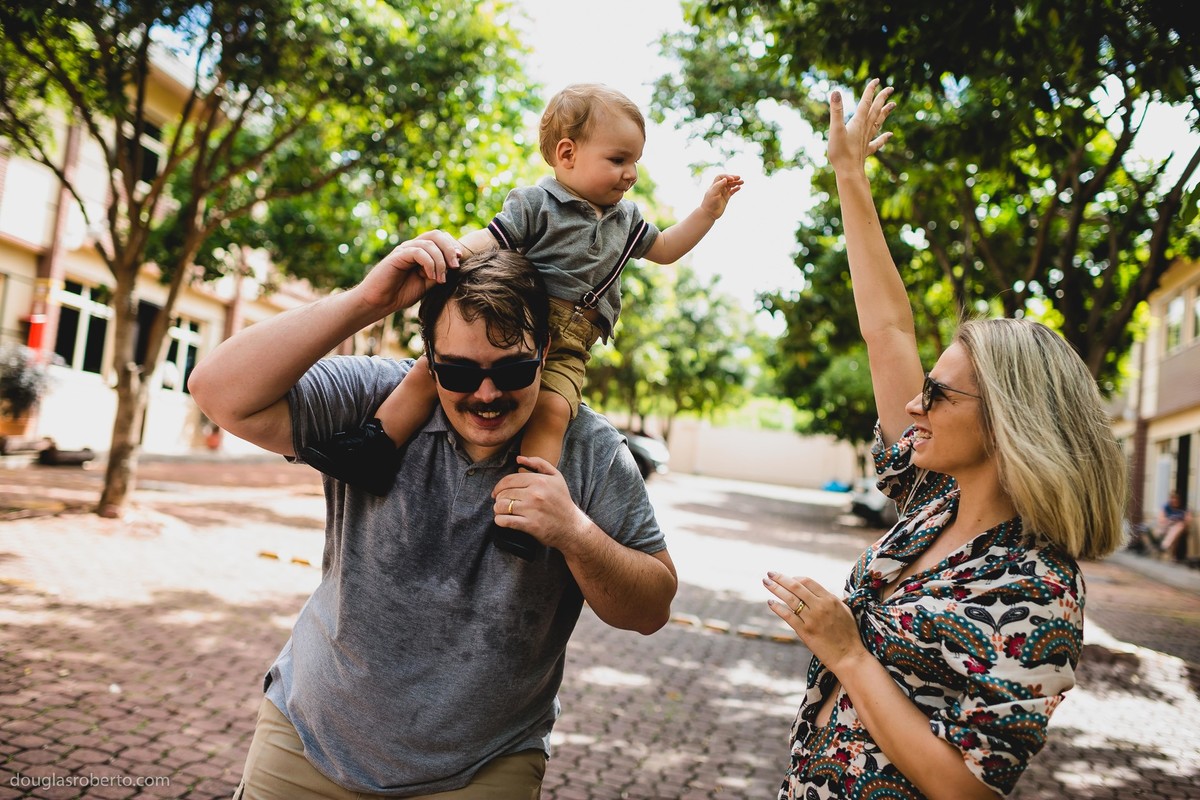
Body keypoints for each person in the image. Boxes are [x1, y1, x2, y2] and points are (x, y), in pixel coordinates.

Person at [187, 238, 677, 799]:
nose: (487, 394)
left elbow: (651, 607)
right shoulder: (377, 395)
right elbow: (216, 390)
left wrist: (575, 532)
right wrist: (366, 302)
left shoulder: (590, 449)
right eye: (459, 373)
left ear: (544, 350)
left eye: (512, 369)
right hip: (308, 738)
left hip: (481, 766)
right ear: (428, 360)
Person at [761, 80, 1127, 800]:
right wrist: (849, 175)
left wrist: (848, 654)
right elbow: (887, 330)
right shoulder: (934, 497)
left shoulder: (1039, 588)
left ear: (1005, 421)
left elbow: (970, 789)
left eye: (937, 393)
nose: (912, 403)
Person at [301, 84, 741, 535]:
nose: (630, 174)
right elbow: (489, 240)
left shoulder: (628, 221)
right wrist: (447, 253)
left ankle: (525, 505)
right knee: (429, 373)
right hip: (511, 326)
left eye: (635, 163)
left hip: (570, 345)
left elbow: (666, 249)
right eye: (618, 160)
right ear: (567, 153)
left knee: (553, 412)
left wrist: (706, 212)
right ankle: (373, 447)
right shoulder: (536, 203)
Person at [1157, 490, 1193, 560]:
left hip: (1180, 528)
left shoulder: (1185, 508)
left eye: (1176, 498)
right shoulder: (1166, 507)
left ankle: (1165, 545)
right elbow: (1161, 519)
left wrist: (1180, 521)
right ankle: (1172, 555)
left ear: (1179, 500)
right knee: (1174, 537)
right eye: (1172, 498)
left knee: (1179, 526)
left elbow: (1188, 521)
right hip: (1167, 527)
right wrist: (1169, 521)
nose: (1174, 500)